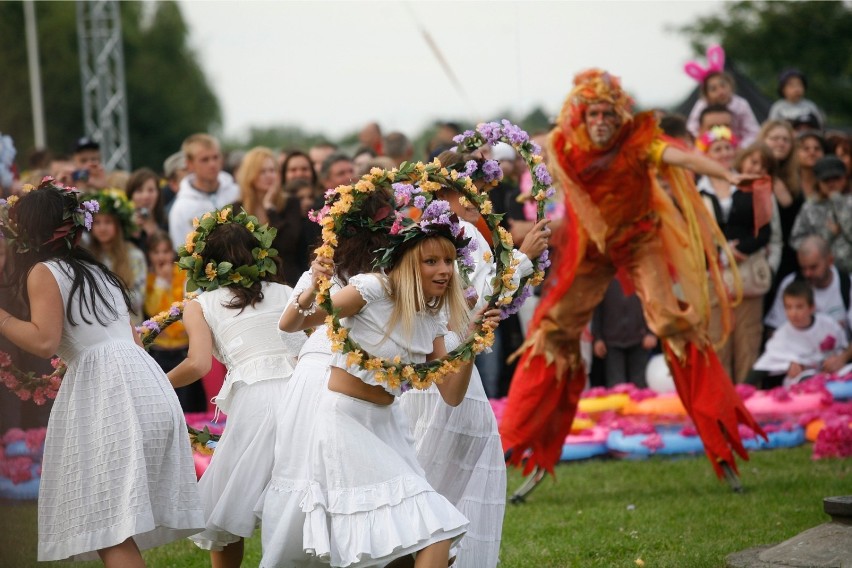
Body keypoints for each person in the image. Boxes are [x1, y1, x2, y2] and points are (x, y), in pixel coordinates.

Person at [500, 69, 764, 489]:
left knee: (671, 323)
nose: (602, 121)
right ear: (582, 117)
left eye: (609, 113)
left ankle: (720, 440)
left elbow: (679, 156)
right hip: (592, 247)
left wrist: (725, 174)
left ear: (618, 115)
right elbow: (517, 146)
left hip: (641, 243)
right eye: (594, 114)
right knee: (551, 331)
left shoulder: (637, 141)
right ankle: (522, 441)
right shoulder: (565, 144)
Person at [272, 203, 501, 567]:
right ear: (410, 262)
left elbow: (452, 394)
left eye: (448, 261)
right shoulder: (373, 288)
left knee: (404, 550)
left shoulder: (431, 314)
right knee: (434, 531)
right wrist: (311, 288)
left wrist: (474, 338)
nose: (443, 270)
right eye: (431, 262)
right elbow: (293, 322)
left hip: (388, 427)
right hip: (344, 423)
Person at [0, 178, 203, 565]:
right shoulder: (101, 272)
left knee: (107, 524)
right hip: (145, 382)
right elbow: (133, 340)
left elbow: (44, 342)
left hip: (111, 392)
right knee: (112, 523)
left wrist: (3, 318)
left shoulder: (44, 271)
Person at [260, 187, 397, 568]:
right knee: (308, 465)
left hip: (360, 368)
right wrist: (311, 288)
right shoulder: (325, 266)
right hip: (318, 365)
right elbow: (288, 324)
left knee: (356, 465)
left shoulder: (387, 269)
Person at [167, 206, 306, 568]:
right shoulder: (286, 291)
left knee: (229, 505)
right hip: (302, 393)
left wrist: (157, 384)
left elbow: (198, 363)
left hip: (256, 400)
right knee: (304, 490)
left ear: (203, 263)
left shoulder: (199, 304)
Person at [695, 126, 772, 383]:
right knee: (718, 340)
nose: (724, 153)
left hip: (747, 274)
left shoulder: (750, 186)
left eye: (728, 147)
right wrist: (721, 255)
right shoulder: (695, 191)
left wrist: (741, 250)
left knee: (748, 339)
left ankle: (749, 399)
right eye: (717, 148)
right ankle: (723, 402)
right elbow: (692, 235)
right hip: (713, 276)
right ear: (705, 154)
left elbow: (764, 230)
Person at [748, 280, 847, 389]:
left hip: (834, 381)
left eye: (799, 307)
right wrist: (788, 366)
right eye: (788, 307)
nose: (793, 313)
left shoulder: (828, 324)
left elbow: (844, 348)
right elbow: (763, 367)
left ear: (811, 307)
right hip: (801, 386)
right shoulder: (781, 336)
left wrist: (840, 359)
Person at [765, 235, 852, 339]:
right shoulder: (791, 284)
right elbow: (774, 328)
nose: (808, 274)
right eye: (803, 268)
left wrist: (842, 356)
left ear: (830, 261)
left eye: (813, 267)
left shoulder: (848, 284)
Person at [168, 134, 240, 253]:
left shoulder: (237, 192)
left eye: (216, 157)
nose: (212, 164)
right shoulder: (181, 208)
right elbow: (182, 253)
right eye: (204, 159)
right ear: (190, 164)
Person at [86, 189, 148, 324]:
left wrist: (104, 296)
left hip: (129, 327)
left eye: (108, 222)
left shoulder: (134, 256)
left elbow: (138, 300)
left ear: (118, 226)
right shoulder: (87, 257)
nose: (102, 228)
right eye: (97, 222)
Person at [684, 45, 760, 146]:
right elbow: (692, 129)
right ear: (707, 94)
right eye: (713, 89)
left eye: (723, 85)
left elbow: (753, 131)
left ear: (731, 86)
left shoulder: (741, 104)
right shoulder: (702, 105)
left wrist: (741, 148)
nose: (720, 91)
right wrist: (705, 143)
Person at [790, 155, 852, 273]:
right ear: (818, 182)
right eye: (826, 180)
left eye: (836, 178)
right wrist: (827, 235)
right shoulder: (809, 207)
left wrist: (839, 203)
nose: (831, 184)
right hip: (821, 275)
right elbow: (796, 241)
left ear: (845, 179)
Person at [591, 278, 657, 388]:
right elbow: (596, 308)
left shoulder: (639, 272)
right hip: (611, 342)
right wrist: (597, 338)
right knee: (617, 388)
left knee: (640, 389)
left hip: (640, 340)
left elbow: (653, 303)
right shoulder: (604, 273)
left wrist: (651, 332)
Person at [126, 167, 167, 254]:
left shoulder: (166, 223)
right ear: (130, 195)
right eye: (139, 191)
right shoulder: (124, 227)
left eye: (151, 190)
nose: (145, 196)